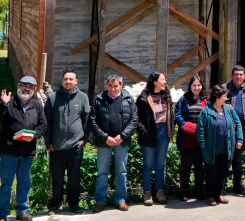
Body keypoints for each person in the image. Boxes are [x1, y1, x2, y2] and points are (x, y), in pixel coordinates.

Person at [0, 76, 48, 221]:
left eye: (30, 86)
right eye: (24, 85)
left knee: (24, 182)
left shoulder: (36, 105)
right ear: (18, 86)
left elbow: (43, 125)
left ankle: (21, 211)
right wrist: (3, 104)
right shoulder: (9, 102)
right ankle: (2, 214)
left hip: (27, 151)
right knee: (6, 183)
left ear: (34, 90)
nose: (26, 89)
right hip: (9, 151)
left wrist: (34, 136)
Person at [88, 75, 138, 212]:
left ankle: (120, 199)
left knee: (121, 171)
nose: (113, 89)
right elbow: (92, 120)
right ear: (107, 85)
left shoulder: (128, 99)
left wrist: (122, 136)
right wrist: (105, 137)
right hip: (104, 142)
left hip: (121, 142)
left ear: (121, 85)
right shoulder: (99, 99)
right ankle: (100, 200)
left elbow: (134, 119)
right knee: (102, 172)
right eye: (110, 86)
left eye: (116, 86)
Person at [45, 69, 90, 214]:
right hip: (56, 146)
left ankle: (74, 204)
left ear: (76, 81)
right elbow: (47, 121)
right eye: (66, 79)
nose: (68, 81)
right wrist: (48, 141)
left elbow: (87, 120)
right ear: (62, 81)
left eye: (71, 79)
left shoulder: (82, 97)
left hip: (75, 146)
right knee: (57, 178)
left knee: (74, 178)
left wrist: (84, 139)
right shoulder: (53, 98)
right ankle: (54, 205)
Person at [196, 84, 245, 206]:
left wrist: (239, 139)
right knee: (211, 173)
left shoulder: (228, 109)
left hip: (226, 147)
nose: (226, 98)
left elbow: (237, 124)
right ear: (217, 97)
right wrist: (203, 147)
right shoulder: (206, 112)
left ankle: (219, 194)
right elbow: (200, 131)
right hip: (211, 149)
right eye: (224, 95)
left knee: (223, 172)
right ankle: (210, 196)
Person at [135, 72, 172, 206]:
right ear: (155, 81)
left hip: (163, 132)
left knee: (160, 164)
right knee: (148, 164)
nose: (165, 81)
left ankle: (159, 191)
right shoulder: (144, 97)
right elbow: (136, 116)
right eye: (162, 79)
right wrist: (142, 131)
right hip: (149, 133)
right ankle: (147, 192)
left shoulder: (166, 94)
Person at [173, 75, 208, 201]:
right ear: (190, 86)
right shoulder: (183, 99)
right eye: (194, 85)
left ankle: (199, 189)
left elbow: (209, 116)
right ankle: (184, 190)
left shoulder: (205, 100)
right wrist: (187, 126)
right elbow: (177, 115)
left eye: (199, 85)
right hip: (186, 138)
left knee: (200, 166)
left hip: (201, 139)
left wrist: (201, 129)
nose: (197, 87)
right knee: (186, 165)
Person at [224, 65, 245, 194]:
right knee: (226, 157)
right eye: (236, 74)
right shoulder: (224, 88)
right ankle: (222, 187)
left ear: (244, 76)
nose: (238, 77)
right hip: (227, 129)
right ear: (232, 76)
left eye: (241, 74)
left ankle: (237, 186)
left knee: (238, 159)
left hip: (243, 129)